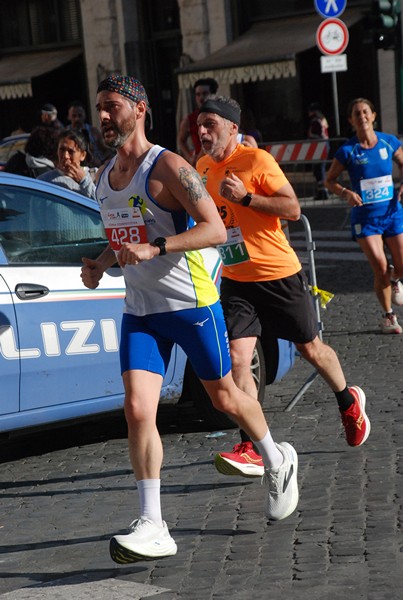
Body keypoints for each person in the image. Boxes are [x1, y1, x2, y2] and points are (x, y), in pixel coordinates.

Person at [80, 75, 299, 563]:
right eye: (98, 108)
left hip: (191, 306)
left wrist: (156, 247)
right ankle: (153, 522)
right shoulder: (102, 178)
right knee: (138, 410)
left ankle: (275, 456)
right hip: (141, 313)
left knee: (224, 397)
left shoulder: (172, 167)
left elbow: (217, 229)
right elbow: (125, 238)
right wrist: (101, 262)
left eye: (111, 107)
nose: (103, 117)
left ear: (139, 110)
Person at [196, 95, 370, 479]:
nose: (202, 131)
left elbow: (292, 209)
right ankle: (252, 445)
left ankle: (347, 400)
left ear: (232, 129)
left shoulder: (257, 161)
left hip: (277, 274)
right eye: (200, 124)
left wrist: (246, 197)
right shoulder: (203, 166)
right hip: (236, 278)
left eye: (210, 124)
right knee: (240, 358)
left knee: (310, 348)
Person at [325, 97, 403, 334]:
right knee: (379, 266)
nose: (362, 116)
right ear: (351, 120)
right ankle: (389, 317)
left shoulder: (388, 142)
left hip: (392, 213)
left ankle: (395, 279)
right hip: (365, 218)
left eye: (365, 112)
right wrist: (346, 192)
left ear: (373, 115)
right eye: (357, 113)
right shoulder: (348, 150)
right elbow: (329, 180)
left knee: (400, 266)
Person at [38, 129, 96, 199]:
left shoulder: (96, 176)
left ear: (82, 155)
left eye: (71, 151)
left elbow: (105, 205)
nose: (65, 156)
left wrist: (84, 181)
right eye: (62, 150)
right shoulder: (44, 181)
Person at [177, 77, 218, 166]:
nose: (201, 98)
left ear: (213, 94)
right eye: (198, 94)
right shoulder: (189, 119)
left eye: (205, 93)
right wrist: (189, 157)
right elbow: (180, 140)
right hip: (201, 164)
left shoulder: (221, 116)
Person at [67, 100, 113, 167]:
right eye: (74, 116)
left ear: (84, 116)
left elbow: (106, 150)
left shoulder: (93, 131)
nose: (77, 119)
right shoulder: (66, 133)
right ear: (69, 117)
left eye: (80, 116)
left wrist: (104, 163)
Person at [307, 102, 329, 200]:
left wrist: (309, 140)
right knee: (321, 169)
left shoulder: (315, 121)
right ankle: (323, 191)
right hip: (324, 145)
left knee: (318, 170)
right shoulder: (322, 119)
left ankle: (322, 192)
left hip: (318, 146)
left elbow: (316, 134)